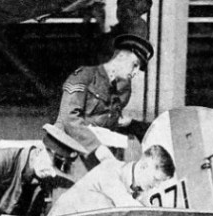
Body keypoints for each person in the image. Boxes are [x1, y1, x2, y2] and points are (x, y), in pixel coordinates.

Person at [44, 33, 154, 190]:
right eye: (135, 64)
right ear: (121, 56)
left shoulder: (121, 91)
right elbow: (69, 119)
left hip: (98, 163)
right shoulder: (84, 76)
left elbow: (108, 122)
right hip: (71, 160)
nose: (136, 72)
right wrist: (97, 147)